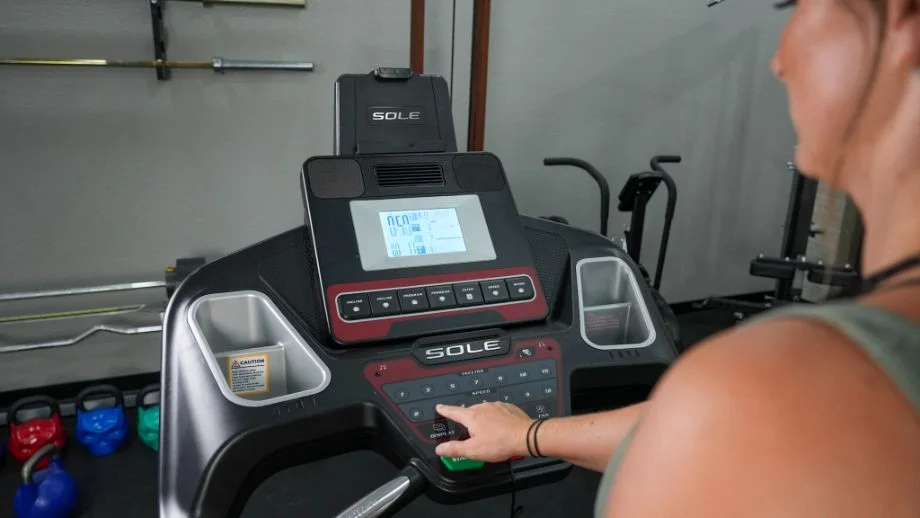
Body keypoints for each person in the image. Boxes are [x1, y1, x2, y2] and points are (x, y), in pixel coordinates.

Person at [434, 1, 920, 516]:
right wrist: (529, 434)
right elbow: (710, 428)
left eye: (799, 5)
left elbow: (726, 419)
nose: (779, 62)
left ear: (904, 19)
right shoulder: (762, 401)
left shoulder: (761, 383)